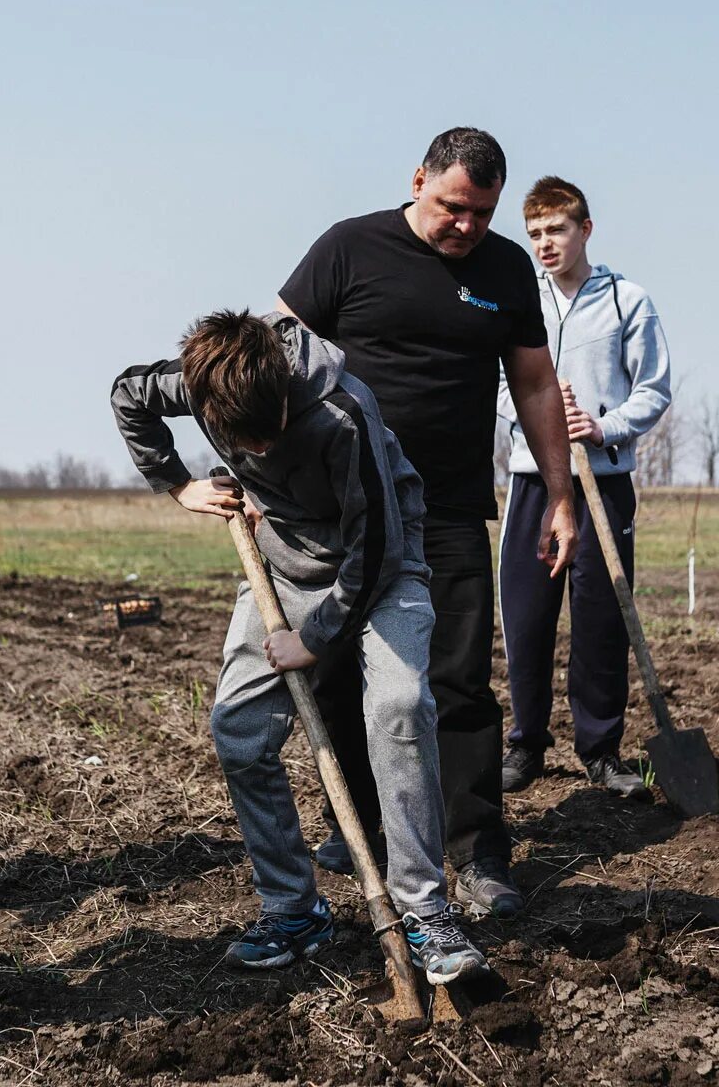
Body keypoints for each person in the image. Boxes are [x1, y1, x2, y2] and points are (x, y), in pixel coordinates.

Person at [111, 311, 488, 984]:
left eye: (267, 434)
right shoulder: (195, 384)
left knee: (400, 707)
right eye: (239, 442)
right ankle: (293, 909)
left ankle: (427, 915)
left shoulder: (343, 409)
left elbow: (376, 547)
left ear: (283, 389)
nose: (255, 449)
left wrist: (313, 640)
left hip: (379, 564)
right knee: (238, 729)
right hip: (282, 568)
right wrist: (177, 483)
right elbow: (127, 395)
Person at [279, 127, 579, 920]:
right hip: (341, 512)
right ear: (418, 182)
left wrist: (561, 495)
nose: (466, 227)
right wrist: (258, 465)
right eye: (453, 208)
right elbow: (272, 351)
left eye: (481, 214)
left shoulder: (507, 269)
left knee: (458, 683)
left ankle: (479, 852)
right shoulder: (348, 249)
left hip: (444, 510)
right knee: (338, 675)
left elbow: (537, 386)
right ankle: (364, 831)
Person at [497, 176, 672, 797]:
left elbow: (653, 389)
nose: (545, 243)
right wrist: (538, 415)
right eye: (535, 233)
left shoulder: (629, 301)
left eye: (557, 230)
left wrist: (603, 426)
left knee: (600, 617)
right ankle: (526, 745)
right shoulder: (518, 299)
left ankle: (602, 751)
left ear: (585, 230)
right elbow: (498, 385)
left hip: (604, 480)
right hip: (531, 481)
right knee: (526, 615)